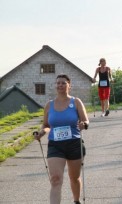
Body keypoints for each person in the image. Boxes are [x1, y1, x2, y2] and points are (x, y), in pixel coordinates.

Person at [34, 74, 89, 204]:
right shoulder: (49, 105)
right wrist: (41, 133)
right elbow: (46, 125)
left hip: (74, 144)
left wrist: (84, 124)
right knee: (55, 179)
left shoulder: (76, 102)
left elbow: (85, 120)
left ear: (69, 85)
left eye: (63, 83)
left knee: (74, 178)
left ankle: (76, 200)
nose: (60, 85)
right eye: (58, 83)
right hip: (55, 145)